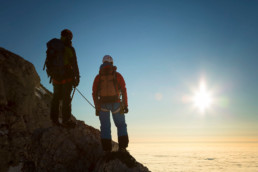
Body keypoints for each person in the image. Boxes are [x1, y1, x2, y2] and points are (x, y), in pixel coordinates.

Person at [92, 55, 129, 151]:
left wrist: (97, 106)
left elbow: (94, 92)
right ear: (112, 63)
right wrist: (125, 105)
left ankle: (107, 150)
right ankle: (122, 148)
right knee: (121, 125)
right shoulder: (117, 75)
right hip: (116, 103)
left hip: (103, 104)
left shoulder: (98, 77)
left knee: (105, 127)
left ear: (103, 63)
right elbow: (124, 90)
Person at [45, 29, 80, 128]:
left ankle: (54, 119)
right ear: (69, 36)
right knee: (66, 98)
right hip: (67, 76)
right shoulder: (69, 47)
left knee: (56, 97)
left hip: (55, 77)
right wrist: (77, 77)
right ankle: (66, 120)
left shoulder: (54, 45)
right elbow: (74, 63)